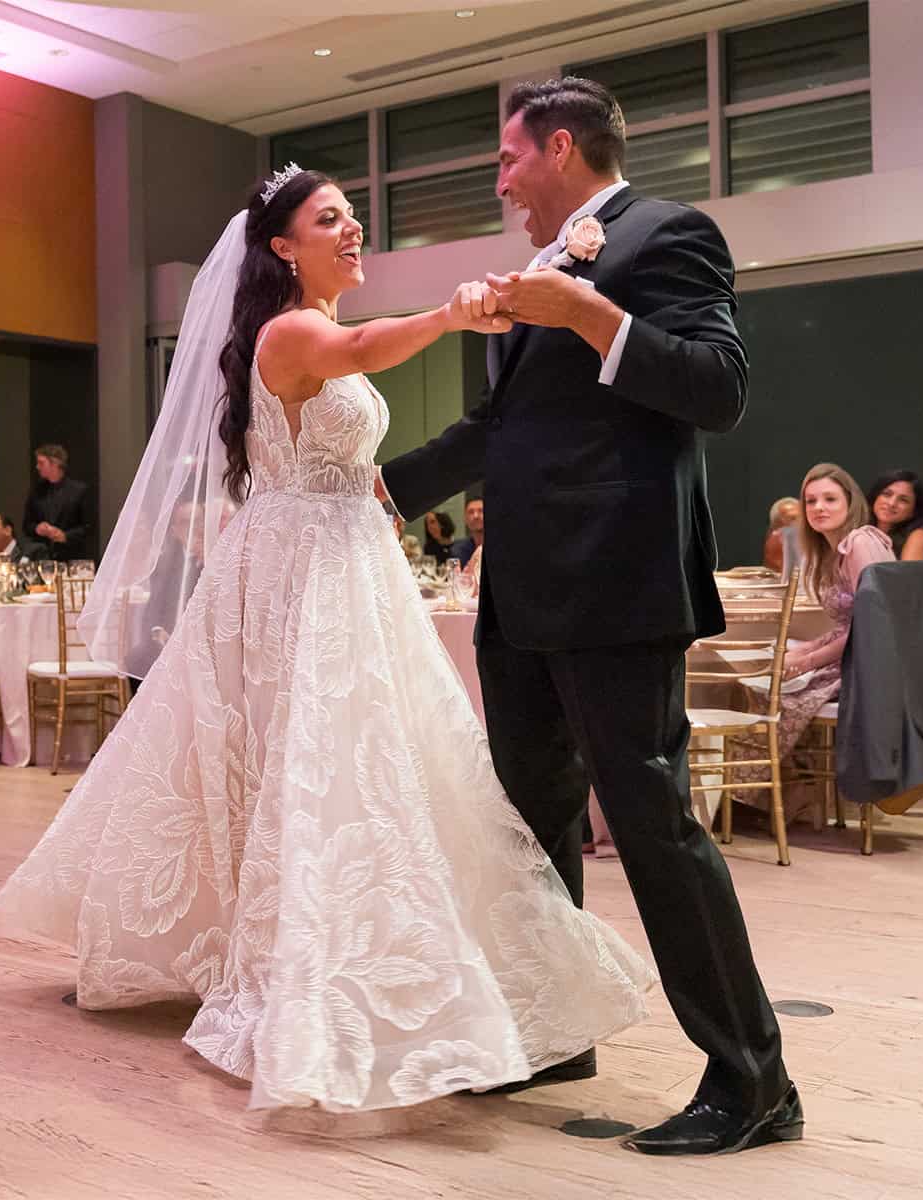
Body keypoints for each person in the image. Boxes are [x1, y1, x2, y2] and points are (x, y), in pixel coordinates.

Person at [0, 167, 654, 1117]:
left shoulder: (304, 326)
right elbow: (364, 348)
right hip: (304, 567)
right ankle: (312, 961)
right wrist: (450, 317)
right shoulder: (291, 329)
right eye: (329, 218)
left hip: (341, 551)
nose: (352, 230)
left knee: (362, 755)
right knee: (323, 757)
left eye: (352, 215)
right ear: (282, 246)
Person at [377, 77, 798, 1153]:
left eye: (509, 159)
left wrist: (589, 313)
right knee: (529, 823)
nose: (502, 179)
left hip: (617, 582)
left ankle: (753, 1081)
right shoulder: (536, 269)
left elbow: (719, 388)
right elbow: (506, 422)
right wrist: (393, 485)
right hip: (520, 589)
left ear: (560, 147)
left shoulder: (669, 234)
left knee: (652, 824)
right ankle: (555, 1030)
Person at [738, 466, 894, 808]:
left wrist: (807, 660)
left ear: (850, 502)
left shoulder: (859, 543)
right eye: (811, 501)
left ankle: (781, 795)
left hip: (869, 668)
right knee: (766, 672)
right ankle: (788, 791)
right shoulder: (831, 549)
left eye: (829, 499)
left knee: (769, 693)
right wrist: (802, 652)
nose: (819, 508)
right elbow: (846, 627)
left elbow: (870, 627)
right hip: (853, 655)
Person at [22, 444, 92, 561]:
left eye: (41, 463)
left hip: (71, 556)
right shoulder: (36, 491)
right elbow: (26, 525)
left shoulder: (79, 491)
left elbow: (88, 527)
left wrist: (65, 536)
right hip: (43, 558)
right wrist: (37, 528)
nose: (37, 467)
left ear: (55, 463)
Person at [865, 469, 923, 561]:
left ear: (914, 510)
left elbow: (907, 575)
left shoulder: (918, 537)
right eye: (887, 494)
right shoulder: (858, 529)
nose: (892, 503)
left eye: (903, 500)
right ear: (875, 497)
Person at [761, 496, 800, 576]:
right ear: (776, 523)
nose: (799, 522)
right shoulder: (777, 539)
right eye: (793, 518)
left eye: (802, 518)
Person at [450, 493, 484, 564]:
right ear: (465, 519)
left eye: (481, 511)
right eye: (471, 512)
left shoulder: (503, 547)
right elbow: (454, 574)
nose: (476, 516)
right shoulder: (457, 550)